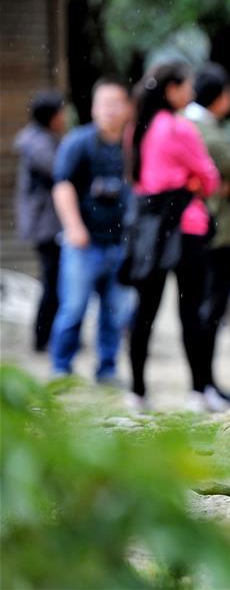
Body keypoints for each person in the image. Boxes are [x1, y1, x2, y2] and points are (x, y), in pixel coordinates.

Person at [128, 61, 222, 411]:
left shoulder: (138, 127)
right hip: (186, 227)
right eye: (187, 86)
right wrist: (193, 183)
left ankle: (136, 390)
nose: (191, 93)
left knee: (145, 311)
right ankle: (199, 391)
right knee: (191, 310)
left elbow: (138, 179)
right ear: (172, 89)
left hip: (150, 229)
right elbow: (209, 179)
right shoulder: (180, 129)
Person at [50, 79, 131, 385]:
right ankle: (61, 370)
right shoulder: (78, 141)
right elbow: (62, 185)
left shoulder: (130, 145)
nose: (110, 110)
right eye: (104, 103)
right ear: (94, 107)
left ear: (127, 108)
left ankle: (107, 370)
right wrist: (74, 228)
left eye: (116, 103)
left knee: (114, 314)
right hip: (84, 244)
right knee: (73, 309)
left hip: (120, 243)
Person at [184, 63, 230, 402]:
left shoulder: (187, 125)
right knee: (210, 310)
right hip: (218, 232)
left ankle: (204, 384)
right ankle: (204, 385)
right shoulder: (207, 131)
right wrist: (225, 182)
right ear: (222, 97)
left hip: (199, 231)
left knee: (200, 309)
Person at [15, 91, 65, 352]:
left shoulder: (43, 139)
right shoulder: (38, 144)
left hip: (49, 223)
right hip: (46, 224)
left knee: (54, 282)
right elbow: (61, 170)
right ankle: (42, 338)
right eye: (61, 112)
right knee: (52, 283)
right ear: (51, 116)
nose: (64, 117)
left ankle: (48, 336)